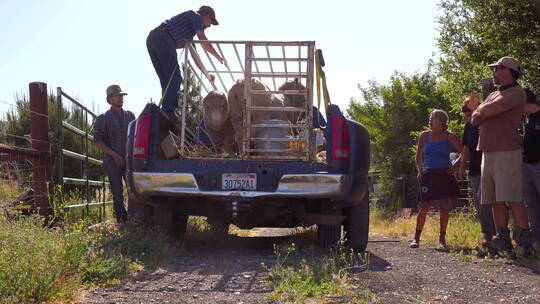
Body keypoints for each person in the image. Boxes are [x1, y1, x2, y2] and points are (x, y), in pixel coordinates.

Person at [471, 56, 533, 256]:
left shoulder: (517, 93)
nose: (494, 72)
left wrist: (482, 110)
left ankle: (524, 243)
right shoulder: (493, 94)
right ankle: (502, 240)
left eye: (497, 68)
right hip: (488, 151)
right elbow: (475, 117)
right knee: (495, 199)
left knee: (512, 197)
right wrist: (482, 110)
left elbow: (490, 110)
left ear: (508, 70)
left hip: (507, 151)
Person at [146, 6, 224, 121]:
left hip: (153, 39)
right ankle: (168, 111)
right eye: (211, 21)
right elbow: (202, 38)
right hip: (163, 38)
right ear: (206, 15)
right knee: (176, 78)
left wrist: (208, 76)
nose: (209, 26)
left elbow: (196, 58)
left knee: (166, 79)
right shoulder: (195, 16)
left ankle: (165, 111)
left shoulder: (189, 34)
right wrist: (218, 57)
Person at [410, 109, 463, 251]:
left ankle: (442, 239)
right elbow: (418, 155)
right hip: (428, 174)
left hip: (444, 174)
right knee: (424, 207)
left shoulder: (449, 137)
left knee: (444, 208)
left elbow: (464, 151)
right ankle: (416, 238)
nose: (430, 120)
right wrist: (420, 169)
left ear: (440, 121)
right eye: (430, 118)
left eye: (432, 118)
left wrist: (456, 165)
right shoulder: (424, 136)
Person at [458, 94, 496, 256]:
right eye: (466, 114)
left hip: (487, 167)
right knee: (481, 206)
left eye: (469, 112)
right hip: (473, 170)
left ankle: (495, 237)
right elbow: (465, 149)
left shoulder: (487, 123)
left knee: (486, 203)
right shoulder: (468, 127)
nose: (468, 116)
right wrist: (461, 166)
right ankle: (488, 236)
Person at [92, 85, 136, 223]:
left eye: (122, 95)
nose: (121, 98)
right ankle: (122, 222)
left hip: (130, 161)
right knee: (118, 194)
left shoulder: (131, 116)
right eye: (117, 95)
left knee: (134, 192)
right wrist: (115, 156)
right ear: (110, 98)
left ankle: (135, 221)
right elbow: (98, 141)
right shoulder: (103, 118)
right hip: (112, 162)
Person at [522, 88, 540, 243]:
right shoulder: (525, 120)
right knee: (531, 204)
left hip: (538, 165)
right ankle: (536, 241)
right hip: (526, 166)